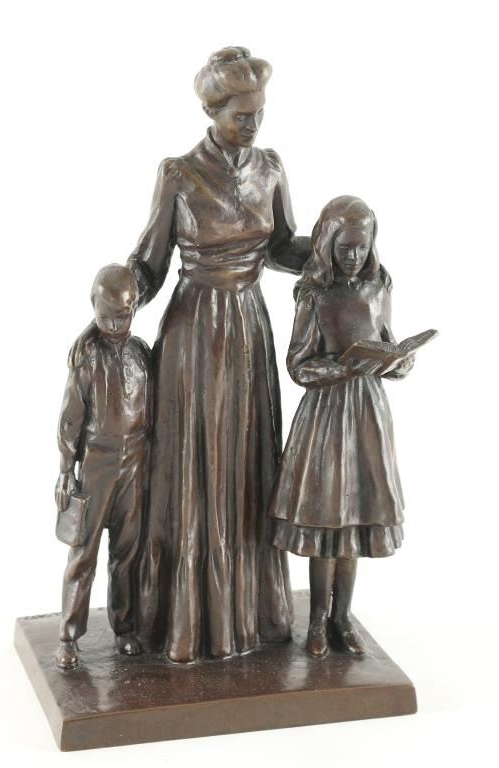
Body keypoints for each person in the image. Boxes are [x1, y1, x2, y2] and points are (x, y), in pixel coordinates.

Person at [71, 47, 311, 662]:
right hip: (195, 333)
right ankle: (182, 617)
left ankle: (249, 615)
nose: (253, 124)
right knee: (192, 469)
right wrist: (115, 305)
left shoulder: (271, 167)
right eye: (240, 115)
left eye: (259, 112)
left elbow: (283, 246)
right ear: (212, 110)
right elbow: (149, 264)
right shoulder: (179, 174)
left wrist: (337, 253)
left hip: (249, 327)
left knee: (247, 463)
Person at [268, 196, 414, 658]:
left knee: (355, 520)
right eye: (344, 247)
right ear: (327, 243)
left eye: (361, 247)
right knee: (326, 521)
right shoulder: (315, 295)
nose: (353, 256)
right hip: (327, 415)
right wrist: (341, 368)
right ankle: (316, 620)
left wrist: (399, 361)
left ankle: (342, 618)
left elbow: (387, 343)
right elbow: (298, 364)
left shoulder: (378, 286)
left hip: (367, 413)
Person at [55, 264, 152, 669]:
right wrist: (66, 469)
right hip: (97, 461)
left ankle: (125, 628)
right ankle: (68, 636)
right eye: (105, 316)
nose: (114, 325)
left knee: (128, 551)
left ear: (135, 308)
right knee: (84, 552)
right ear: (93, 309)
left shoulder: (142, 354)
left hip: (137, 462)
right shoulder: (87, 359)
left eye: (123, 315)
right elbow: (70, 421)